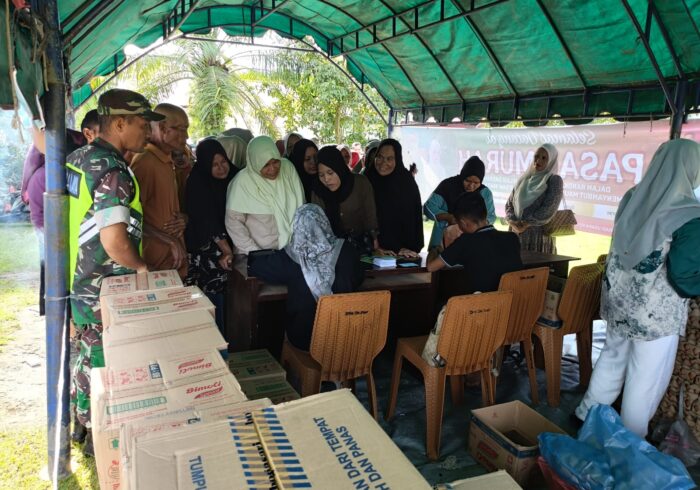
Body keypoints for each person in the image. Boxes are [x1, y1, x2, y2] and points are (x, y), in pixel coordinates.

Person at [574, 139, 700, 438]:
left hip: (618, 302)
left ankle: (585, 417)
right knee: (646, 379)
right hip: (655, 316)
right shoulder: (689, 214)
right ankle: (630, 438)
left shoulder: (632, 196)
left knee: (612, 358)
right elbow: (684, 276)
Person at [66, 88, 160, 453]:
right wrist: (141, 266)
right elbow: (114, 240)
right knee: (104, 364)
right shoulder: (114, 171)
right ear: (120, 123)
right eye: (142, 124)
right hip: (102, 288)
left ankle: (79, 423)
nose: (148, 133)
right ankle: (98, 438)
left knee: (85, 356)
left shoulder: (78, 158)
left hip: (78, 280)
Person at [257, 204, 364, 350]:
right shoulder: (347, 249)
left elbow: (260, 268)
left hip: (306, 340)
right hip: (346, 336)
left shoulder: (292, 255)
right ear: (324, 221)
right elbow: (358, 278)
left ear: (297, 225)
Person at [130, 103, 189, 278]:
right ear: (163, 128)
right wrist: (169, 240)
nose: (186, 136)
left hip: (172, 261)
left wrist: (184, 219)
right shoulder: (145, 162)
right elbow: (132, 217)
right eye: (182, 129)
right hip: (154, 264)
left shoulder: (167, 161)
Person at [185, 139, 239, 330]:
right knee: (212, 299)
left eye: (223, 161)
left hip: (230, 247)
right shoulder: (197, 182)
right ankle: (217, 339)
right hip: (207, 249)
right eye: (214, 164)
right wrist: (226, 250)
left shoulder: (236, 177)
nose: (221, 168)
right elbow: (206, 220)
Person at [427, 192, 522, 291]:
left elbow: (431, 267)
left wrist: (435, 248)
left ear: (463, 223)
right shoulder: (512, 238)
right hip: (514, 297)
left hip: (482, 300)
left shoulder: (465, 242)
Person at [225, 135, 304, 254]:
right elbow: (234, 224)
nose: (273, 169)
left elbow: (301, 205)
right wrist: (256, 254)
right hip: (258, 253)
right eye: (265, 165)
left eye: (276, 161)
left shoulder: (287, 168)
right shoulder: (242, 183)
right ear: (254, 162)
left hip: (294, 249)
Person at [311, 146, 378, 255]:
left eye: (330, 172)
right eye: (321, 175)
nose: (326, 179)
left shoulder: (360, 183)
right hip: (332, 251)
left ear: (339, 168)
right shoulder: (318, 191)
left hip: (361, 247)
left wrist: (374, 238)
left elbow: (370, 216)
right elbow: (318, 226)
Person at [365, 138, 424, 257]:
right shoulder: (367, 179)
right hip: (370, 249)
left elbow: (412, 219)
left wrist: (399, 248)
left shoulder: (406, 182)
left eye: (389, 158)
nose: (383, 163)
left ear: (398, 159)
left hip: (403, 251)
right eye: (380, 157)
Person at [424, 156, 496, 250]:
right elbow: (428, 207)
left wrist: (472, 225)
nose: (471, 186)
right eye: (467, 181)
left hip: (472, 244)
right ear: (462, 176)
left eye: (476, 183)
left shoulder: (485, 193)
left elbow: (490, 216)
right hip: (442, 241)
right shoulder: (447, 186)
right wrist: (447, 217)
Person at [505, 144, 563, 253]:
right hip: (515, 233)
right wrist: (512, 221)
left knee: (534, 264)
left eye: (544, 158)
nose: (538, 160)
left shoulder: (554, 180)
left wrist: (526, 223)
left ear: (551, 160)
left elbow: (549, 208)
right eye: (536, 156)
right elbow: (509, 204)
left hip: (537, 237)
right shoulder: (525, 178)